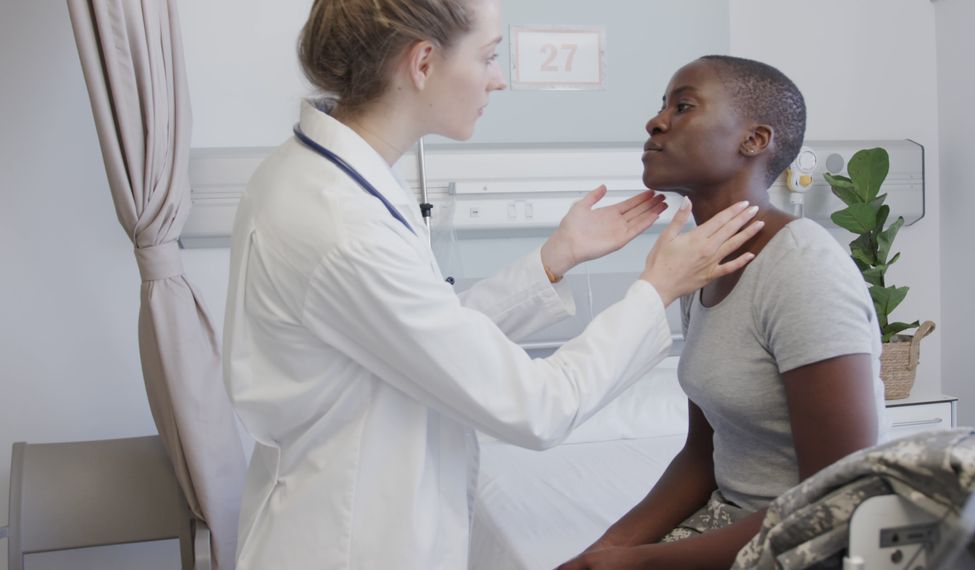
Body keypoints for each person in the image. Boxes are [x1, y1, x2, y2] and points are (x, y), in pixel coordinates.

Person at [221, 1, 765, 568]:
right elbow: (536, 407)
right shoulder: (341, 222)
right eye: (488, 57)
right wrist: (656, 288)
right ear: (424, 63)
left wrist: (555, 259)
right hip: (347, 540)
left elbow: (424, 336)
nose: (499, 79)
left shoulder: (331, 179)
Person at [559, 55, 887, 569]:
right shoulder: (702, 262)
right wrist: (602, 551)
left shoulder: (802, 268)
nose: (655, 121)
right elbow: (701, 457)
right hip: (731, 524)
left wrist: (636, 564)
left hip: (808, 546)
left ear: (754, 140)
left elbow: (838, 498)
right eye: (662, 106)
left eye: (683, 105)